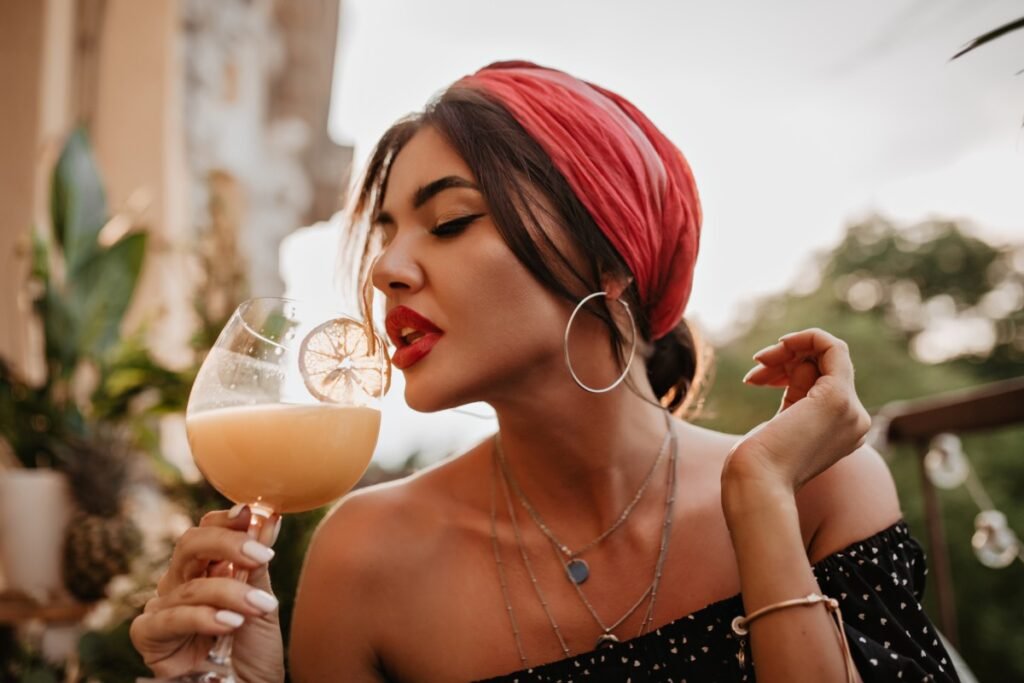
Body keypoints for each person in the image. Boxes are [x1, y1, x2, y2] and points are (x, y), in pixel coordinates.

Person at [130, 61, 959, 682]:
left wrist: (761, 503)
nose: (388, 269)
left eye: (450, 221)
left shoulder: (819, 491)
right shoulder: (365, 558)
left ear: (610, 257)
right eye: (384, 234)